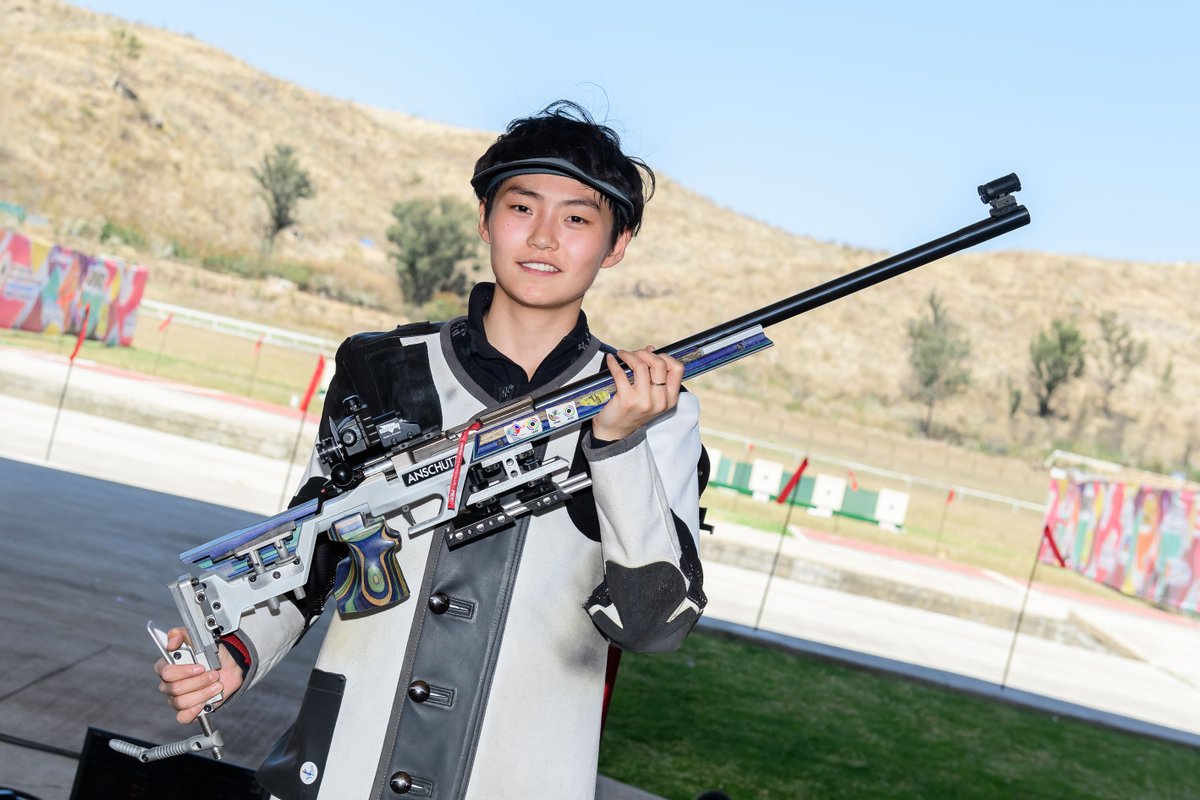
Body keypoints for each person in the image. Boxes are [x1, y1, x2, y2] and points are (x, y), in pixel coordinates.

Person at [155, 100, 706, 799]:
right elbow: (315, 544)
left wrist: (618, 447)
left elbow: (654, 624)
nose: (543, 237)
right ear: (485, 218)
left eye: (576, 219)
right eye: (521, 207)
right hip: (346, 769)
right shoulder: (385, 369)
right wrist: (234, 653)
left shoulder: (657, 411)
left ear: (616, 243)